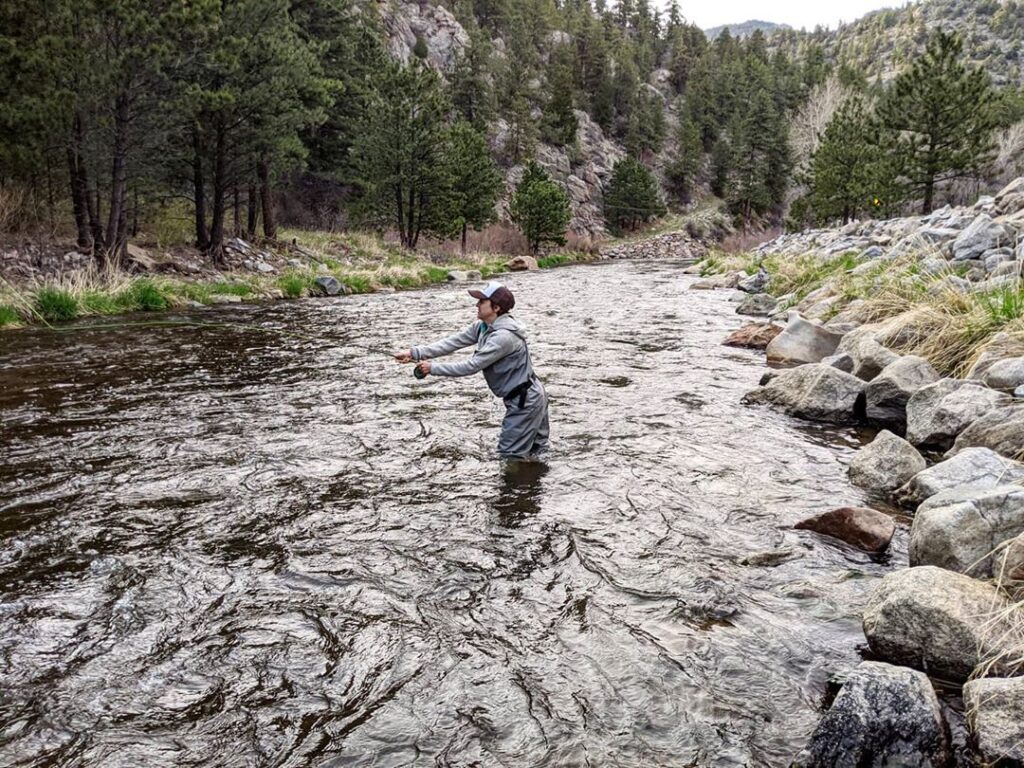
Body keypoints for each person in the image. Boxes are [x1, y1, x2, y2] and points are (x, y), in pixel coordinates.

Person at [394, 281, 550, 460]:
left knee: (510, 456)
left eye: (482, 301)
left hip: (525, 401)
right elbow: (453, 342)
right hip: (528, 395)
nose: (476, 304)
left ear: (496, 307)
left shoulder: (503, 338)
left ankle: (518, 486)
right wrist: (414, 352)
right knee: (536, 454)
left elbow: (472, 366)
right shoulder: (483, 326)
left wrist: (432, 368)